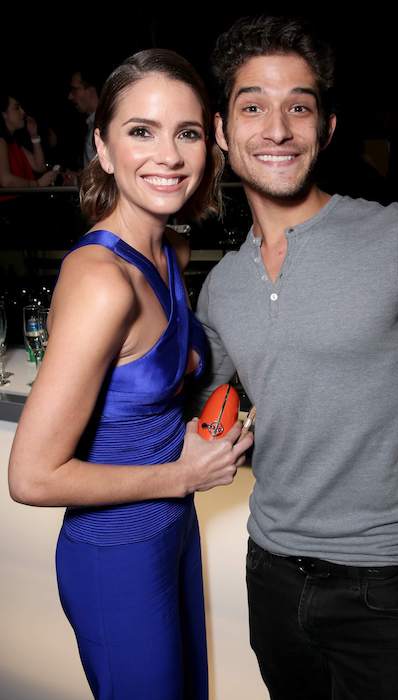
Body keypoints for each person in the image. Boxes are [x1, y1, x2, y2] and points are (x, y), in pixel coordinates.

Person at [194, 16, 398, 700]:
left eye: (298, 107)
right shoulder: (222, 287)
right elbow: (193, 405)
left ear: (324, 129)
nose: (276, 128)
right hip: (270, 572)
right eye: (253, 107)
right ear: (221, 130)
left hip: (385, 583)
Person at [8, 48, 252, 700]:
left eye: (188, 132)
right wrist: (184, 473)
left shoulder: (170, 247)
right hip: (114, 553)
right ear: (104, 148)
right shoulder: (100, 281)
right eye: (141, 131)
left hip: (173, 530)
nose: (168, 155)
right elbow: (30, 477)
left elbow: (165, 386)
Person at [0, 92, 58, 191]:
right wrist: (37, 184)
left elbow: (40, 167)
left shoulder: (14, 142)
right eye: (17, 108)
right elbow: (6, 181)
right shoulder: (1, 141)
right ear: (4, 114)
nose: (23, 112)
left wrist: (34, 136)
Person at [68, 67, 101, 167]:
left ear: (91, 90)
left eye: (74, 90)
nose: (70, 96)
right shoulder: (93, 124)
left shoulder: (104, 126)